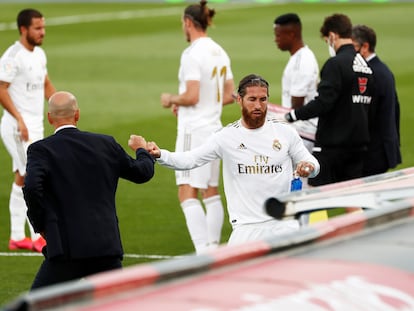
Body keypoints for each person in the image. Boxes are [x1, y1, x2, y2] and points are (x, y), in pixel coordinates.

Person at [140, 74, 319, 246]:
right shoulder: (226, 136)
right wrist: (160, 154)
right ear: (239, 100)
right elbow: (190, 160)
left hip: (284, 224)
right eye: (252, 99)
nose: (258, 105)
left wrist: (309, 166)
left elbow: (313, 163)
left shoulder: (285, 132)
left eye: (263, 99)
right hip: (246, 228)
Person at [23, 91, 155, 290]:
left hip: (66, 250)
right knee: (118, 304)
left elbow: (32, 187)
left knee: (37, 304)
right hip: (105, 247)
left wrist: (40, 225)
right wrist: (142, 150)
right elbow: (142, 173)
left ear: (49, 118)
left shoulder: (41, 150)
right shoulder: (105, 143)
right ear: (77, 115)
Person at [160, 0, 235, 254]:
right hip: (215, 127)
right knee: (211, 190)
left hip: (195, 130)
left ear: (189, 23)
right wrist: (197, 101)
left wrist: (172, 98)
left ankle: (203, 252)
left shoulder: (192, 54)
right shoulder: (219, 51)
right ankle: (214, 247)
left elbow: (191, 96)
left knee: (187, 191)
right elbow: (228, 94)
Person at [284, 14, 375, 187]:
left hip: (333, 144)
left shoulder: (335, 64)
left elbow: (323, 103)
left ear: (332, 36)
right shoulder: (365, 66)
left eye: (327, 40)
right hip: (359, 143)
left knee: (314, 194)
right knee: (352, 197)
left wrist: (292, 115)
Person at [0, 8, 56, 252]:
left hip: (35, 125)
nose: (42, 32)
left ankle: (16, 236)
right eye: (37, 28)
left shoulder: (39, 54)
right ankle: (37, 236)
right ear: (23, 29)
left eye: (43, 27)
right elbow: (1, 89)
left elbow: (45, 83)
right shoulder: (13, 57)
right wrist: (19, 119)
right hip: (17, 128)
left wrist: (59, 107)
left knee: (23, 177)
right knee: (34, 177)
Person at [351, 24, 402, 176]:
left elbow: (365, 114)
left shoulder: (370, 73)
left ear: (365, 47)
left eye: (352, 46)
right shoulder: (383, 70)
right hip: (382, 148)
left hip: (373, 151)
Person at [273, 13, 319, 152]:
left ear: (291, 34)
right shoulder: (299, 57)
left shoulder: (302, 61)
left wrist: (273, 115)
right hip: (298, 130)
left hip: (302, 133)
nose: (276, 40)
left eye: (278, 35)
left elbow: (296, 104)